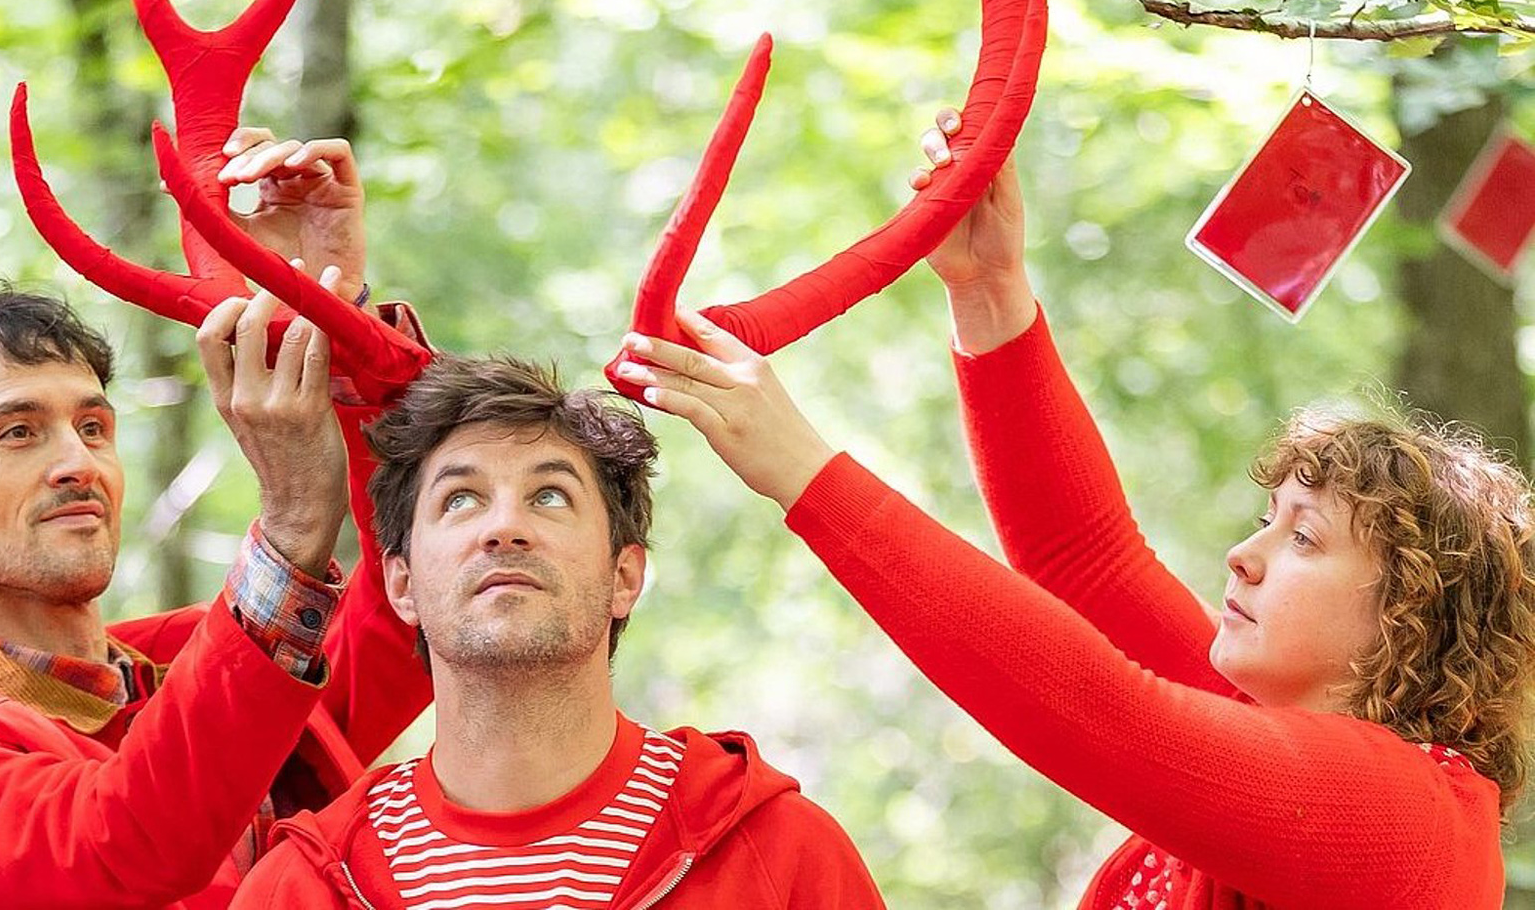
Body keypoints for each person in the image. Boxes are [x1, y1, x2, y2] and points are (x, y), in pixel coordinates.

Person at [616, 108, 1535, 909]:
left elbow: (1109, 715)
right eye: (1269, 519)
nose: (1243, 556)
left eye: (1304, 536)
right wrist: (988, 288)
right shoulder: (1277, 730)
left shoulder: (1416, 822)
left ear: (1413, 614)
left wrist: (802, 468)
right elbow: (1082, 554)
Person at [0, 129, 431, 908]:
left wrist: (327, 316)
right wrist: (290, 527)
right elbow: (127, 843)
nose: (77, 461)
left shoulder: (187, 658)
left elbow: (419, 614)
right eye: (18, 432)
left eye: (92, 426)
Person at [228, 354, 885, 909]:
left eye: (549, 496)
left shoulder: (783, 852)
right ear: (402, 586)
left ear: (624, 575)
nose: (504, 527)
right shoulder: (299, 887)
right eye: (460, 498)